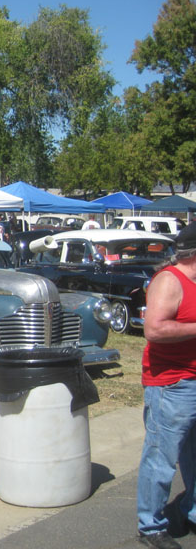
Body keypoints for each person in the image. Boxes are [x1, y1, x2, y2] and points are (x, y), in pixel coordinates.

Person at [136, 222, 196, 549]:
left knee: (194, 456)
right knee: (161, 458)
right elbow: (154, 330)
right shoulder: (169, 281)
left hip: (192, 380)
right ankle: (151, 526)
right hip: (171, 385)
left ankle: (190, 511)